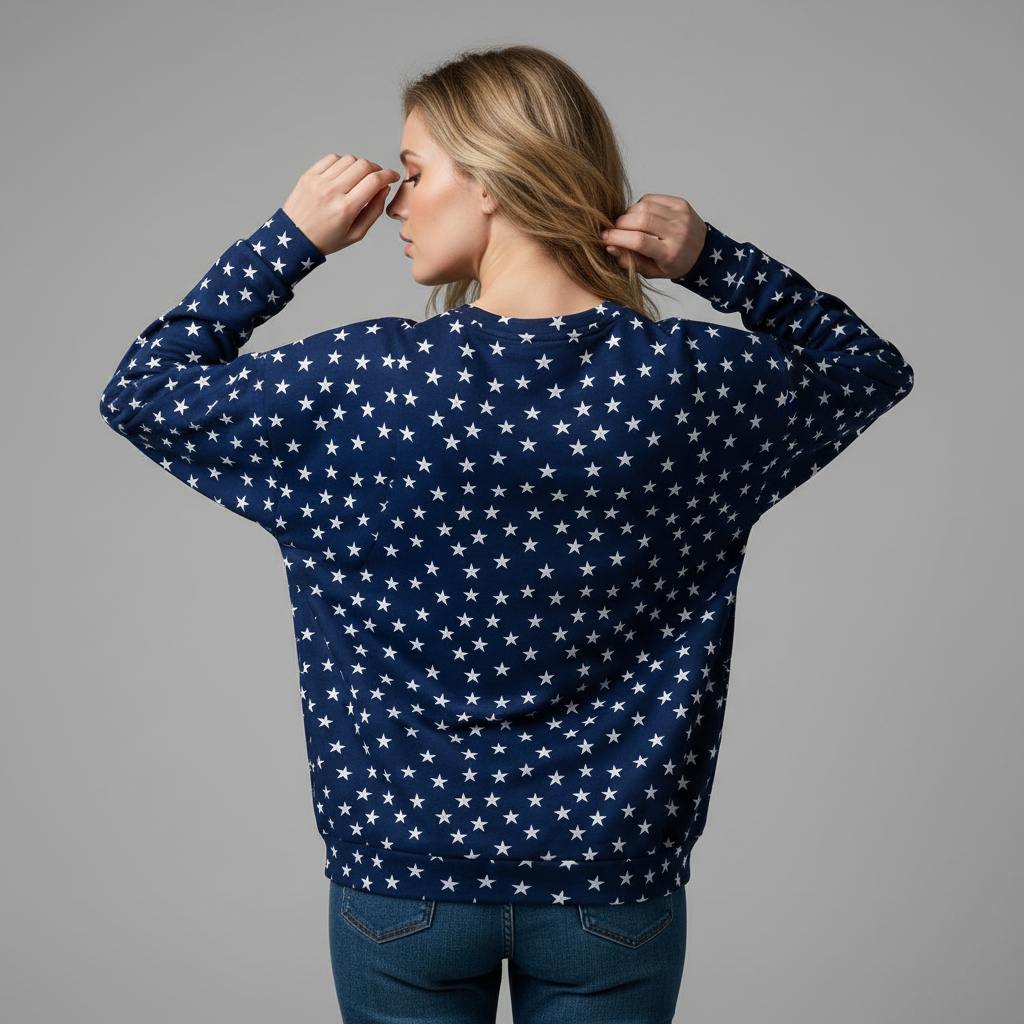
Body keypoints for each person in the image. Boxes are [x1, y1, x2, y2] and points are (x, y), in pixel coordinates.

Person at [100, 44, 912, 1024]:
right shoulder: (687, 386)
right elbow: (864, 367)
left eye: (416, 169)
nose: (395, 200)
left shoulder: (360, 385)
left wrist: (292, 240)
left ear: (488, 180)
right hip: (609, 883)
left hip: (403, 878)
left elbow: (144, 388)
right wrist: (715, 261)